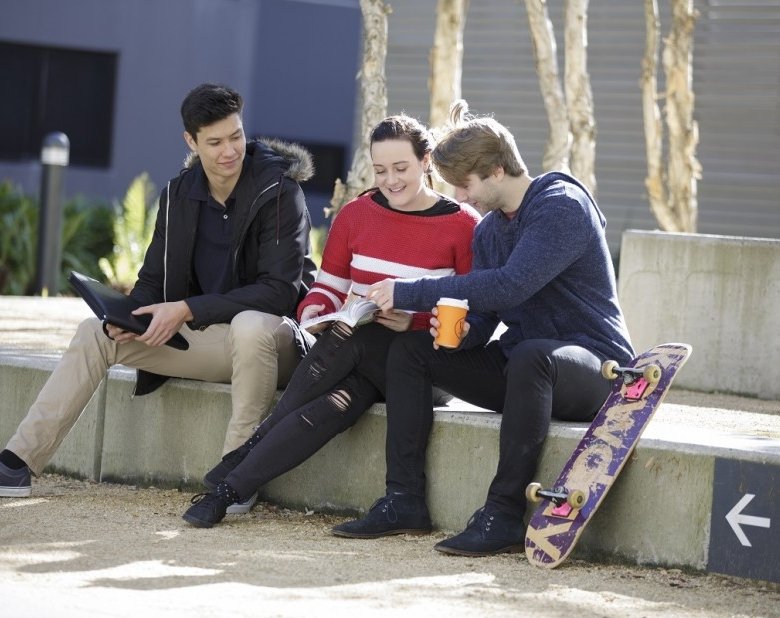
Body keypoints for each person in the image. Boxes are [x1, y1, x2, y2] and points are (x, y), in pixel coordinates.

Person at [331, 100, 634, 556]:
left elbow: (511, 286)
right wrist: (453, 332)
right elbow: (487, 318)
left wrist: (410, 291)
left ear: (496, 170)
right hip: (525, 369)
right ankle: (404, 500)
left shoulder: (561, 206)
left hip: (595, 368)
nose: (463, 197)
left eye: (466, 185)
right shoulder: (491, 230)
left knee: (533, 354)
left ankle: (503, 514)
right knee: (413, 351)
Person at [0, 83, 317, 503]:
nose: (229, 151)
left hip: (273, 344)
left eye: (236, 136)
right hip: (211, 343)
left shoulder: (280, 192)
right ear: (191, 141)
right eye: (215, 142)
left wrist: (185, 309)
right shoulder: (178, 195)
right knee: (93, 332)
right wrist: (127, 317)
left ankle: (236, 477)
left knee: (250, 325)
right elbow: (153, 281)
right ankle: (17, 462)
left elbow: (278, 293)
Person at [181, 114, 480, 528]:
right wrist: (316, 313)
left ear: (425, 161)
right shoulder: (356, 214)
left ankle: (247, 450)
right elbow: (327, 288)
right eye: (380, 170)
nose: (390, 181)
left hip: (423, 367)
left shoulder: (463, 225)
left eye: (401, 168)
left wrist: (410, 320)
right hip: (357, 362)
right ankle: (224, 495)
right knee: (332, 405)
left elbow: (474, 313)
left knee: (353, 339)